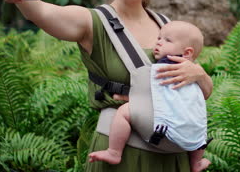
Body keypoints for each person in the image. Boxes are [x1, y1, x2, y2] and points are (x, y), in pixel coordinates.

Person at [0, 0, 213, 172]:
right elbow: (38, 12)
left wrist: (199, 75)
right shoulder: (92, 23)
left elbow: (191, 95)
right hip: (123, 157)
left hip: (173, 155)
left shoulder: (168, 28)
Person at [88, 20, 210, 172]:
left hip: (164, 126)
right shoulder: (193, 71)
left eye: (167, 40)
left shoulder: (165, 67)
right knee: (199, 128)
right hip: (191, 129)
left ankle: (114, 151)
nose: (159, 42)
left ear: (187, 53)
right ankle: (197, 163)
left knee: (124, 112)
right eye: (159, 38)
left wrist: (126, 99)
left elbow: (150, 93)